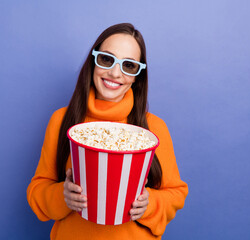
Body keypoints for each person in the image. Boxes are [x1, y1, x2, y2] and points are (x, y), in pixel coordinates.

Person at [27, 23, 188, 240]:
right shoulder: (61, 121)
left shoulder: (154, 128)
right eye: (106, 59)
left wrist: (150, 203)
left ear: (137, 76)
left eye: (129, 66)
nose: (115, 73)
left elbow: (176, 193)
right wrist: (62, 195)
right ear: (93, 61)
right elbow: (38, 190)